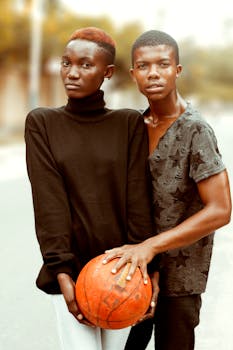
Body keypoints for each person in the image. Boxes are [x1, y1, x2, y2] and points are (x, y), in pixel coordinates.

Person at [24, 27, 159, 350]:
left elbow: (139, 201)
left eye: (86, 65)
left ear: (107, 72)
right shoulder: (42, 123)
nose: (72, 73)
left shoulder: (128, 123)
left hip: (123, 275)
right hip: (71, 273)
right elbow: (49, 203)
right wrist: (61, 273)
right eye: (66, 63)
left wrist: (148, 271)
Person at [103, 30, 232, 350]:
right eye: (144, 66)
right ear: (133, 74)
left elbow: (220, 209)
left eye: (163, 64)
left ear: (177, 69)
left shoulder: (195, 128)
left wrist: (151, 246)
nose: (154, 73)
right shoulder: (134, 125)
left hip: (180, 279)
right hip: (133, 273)